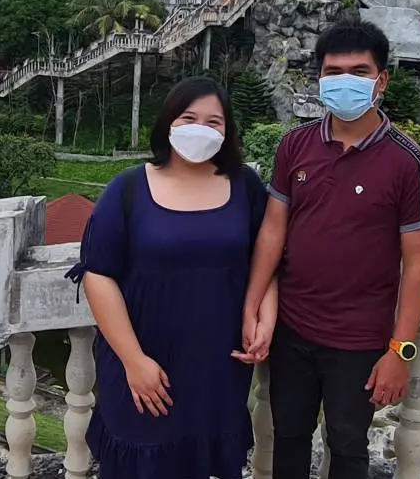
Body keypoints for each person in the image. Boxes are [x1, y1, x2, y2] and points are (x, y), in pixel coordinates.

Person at [242, 21, 420, 479]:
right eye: (334, 71)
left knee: (348, 446)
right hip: (292, 329)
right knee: (286, 436)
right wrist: (251, 307)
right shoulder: (295, 145)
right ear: (319, 79)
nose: (345, 80)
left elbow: (417, 265)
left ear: (381, 80)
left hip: (360, 341)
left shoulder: (410, 164)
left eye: (359, 70)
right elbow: (274, 230)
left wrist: (400, 352)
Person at [69, 76, 276, 479]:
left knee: (204, 460)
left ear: (228, 131)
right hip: (144, 365)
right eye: (189, 117)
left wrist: (265, 318)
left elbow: (266, 263)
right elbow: (98, 276)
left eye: (214, 122)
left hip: (216, 367)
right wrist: (134, 361)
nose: (201, 128)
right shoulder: (127, 189)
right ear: (168, 122)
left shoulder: (245, 186)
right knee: (139, 461)